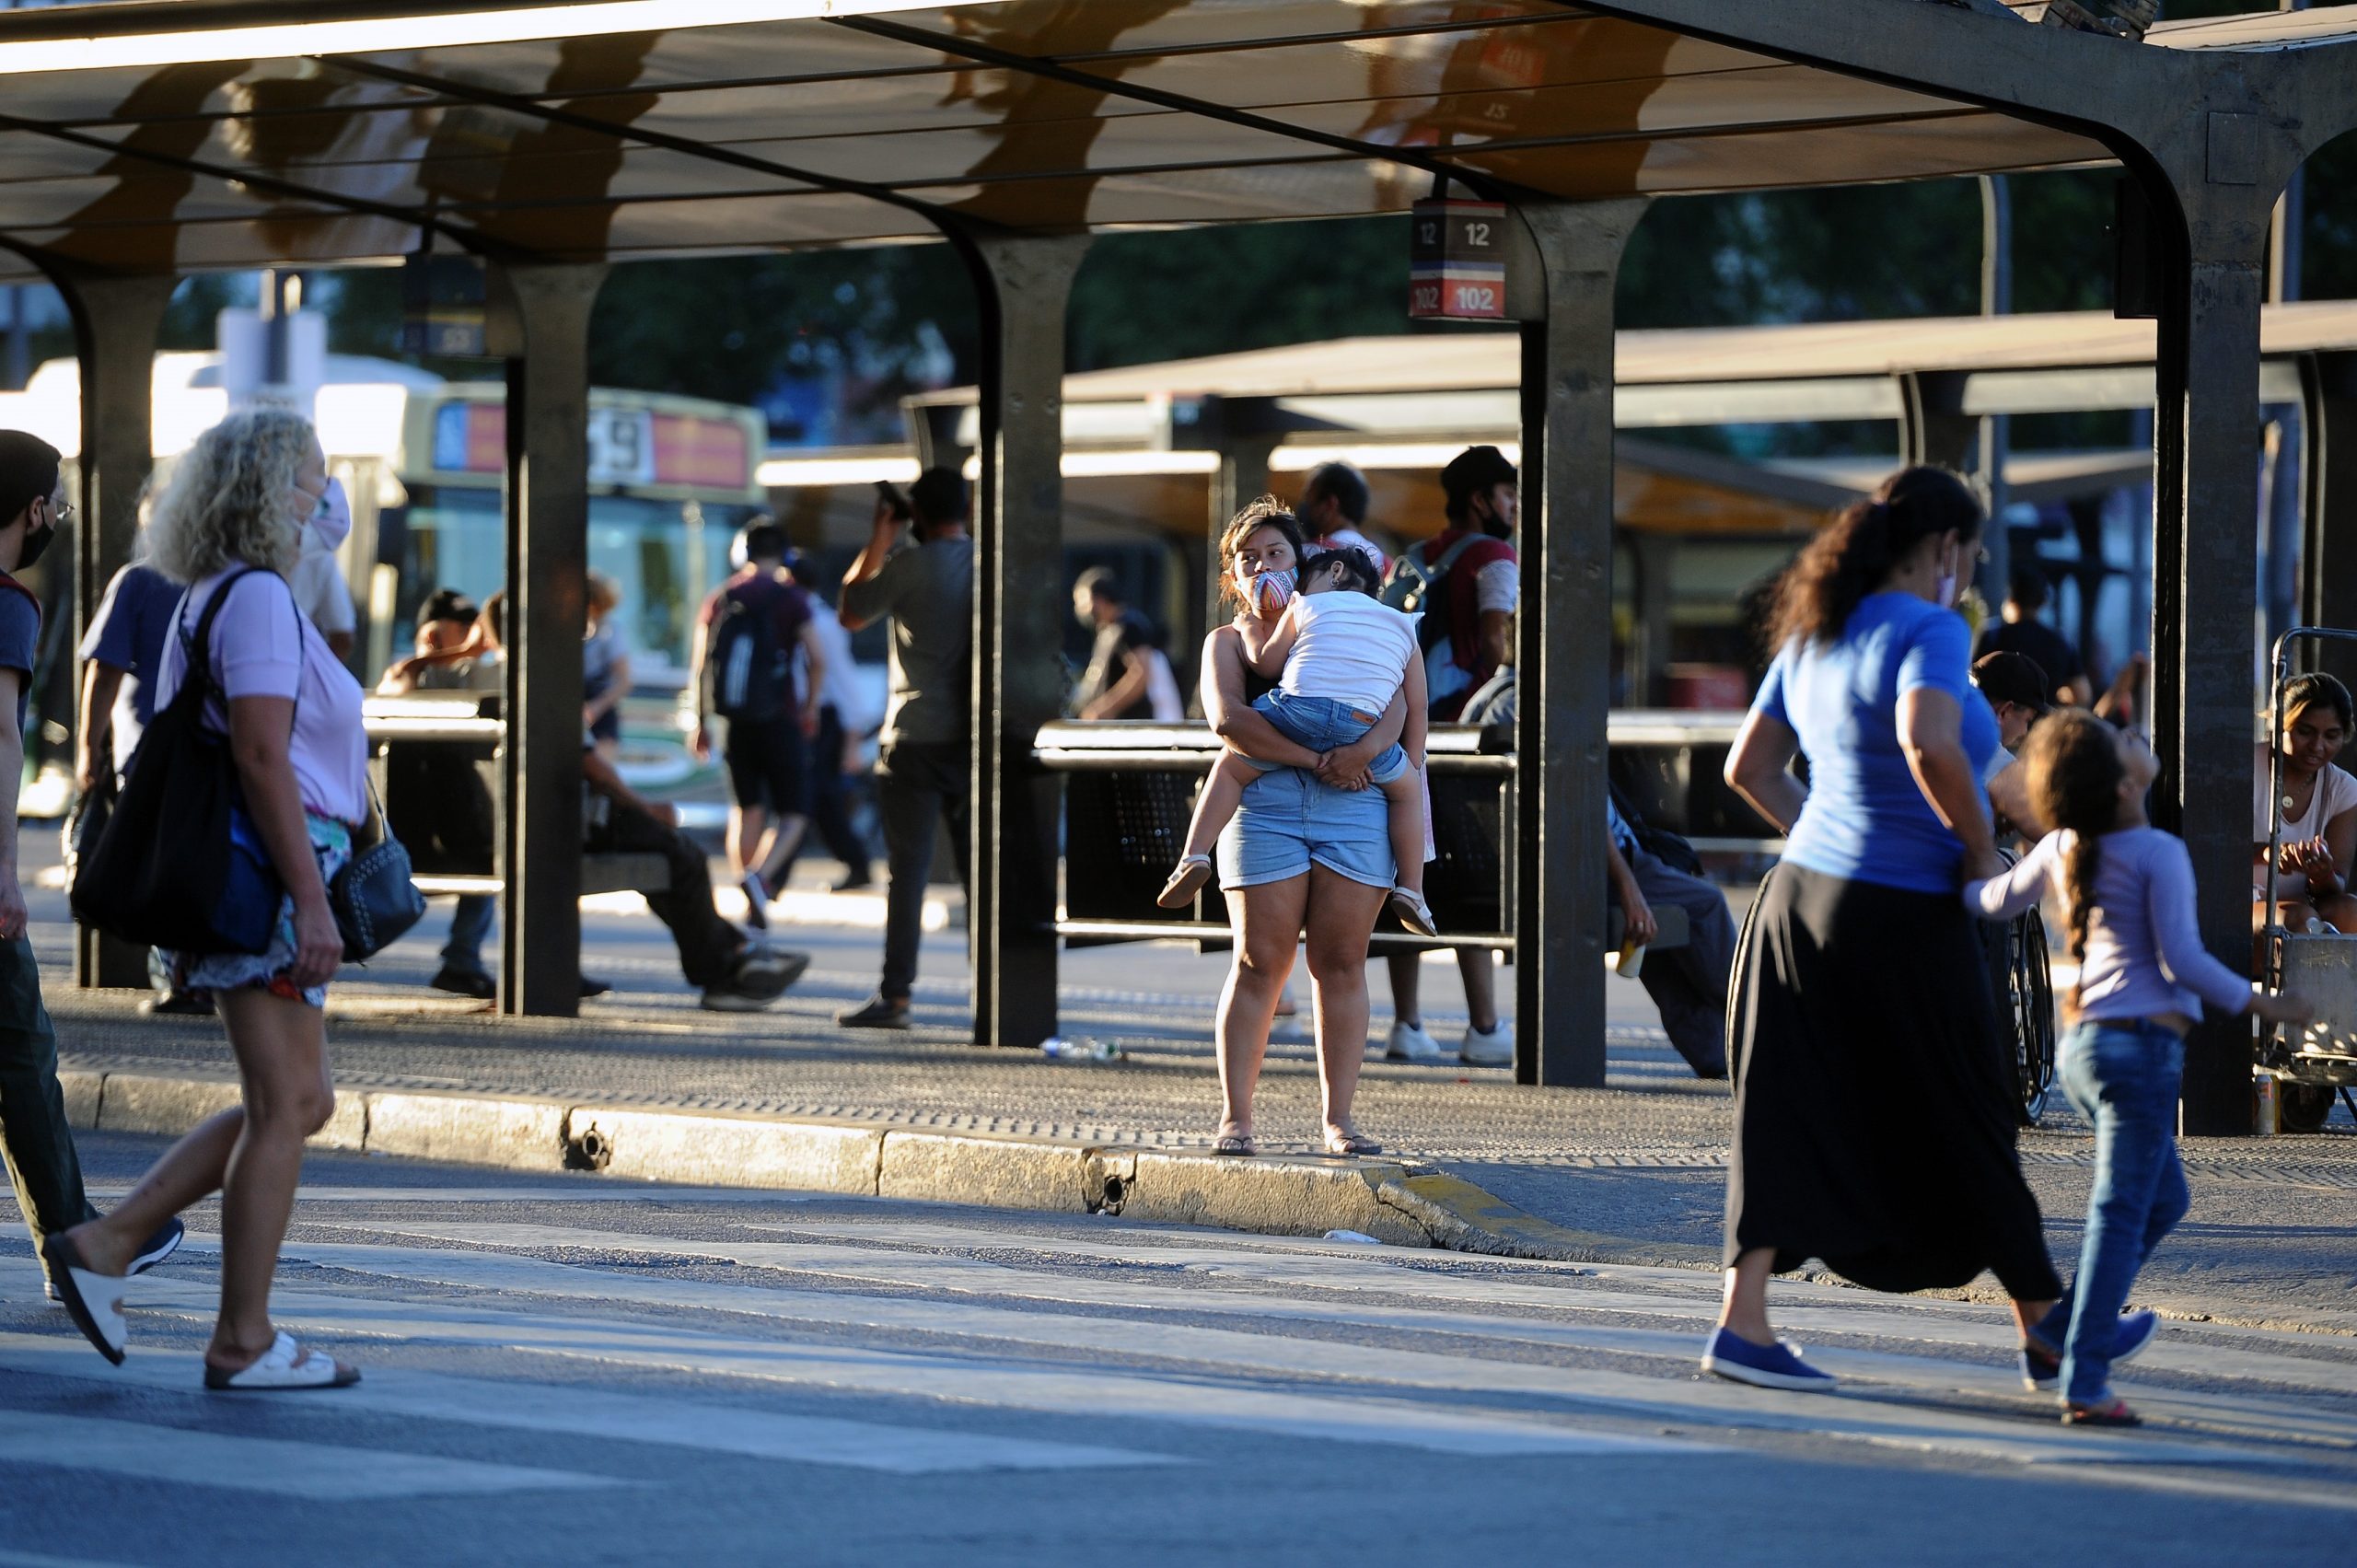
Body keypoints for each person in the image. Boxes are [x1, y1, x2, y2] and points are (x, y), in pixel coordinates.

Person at [1710, 464, 2063, 1393]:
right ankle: (2049, 1322)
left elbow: (1748, 766)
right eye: (1971, 555)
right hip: (1901, 905)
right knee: (1969, 1105)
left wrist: (1832, 834)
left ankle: (1742, 1324)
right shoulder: (1933, 628)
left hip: (1797, 901)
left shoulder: (1814, 630)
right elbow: (1929, 738)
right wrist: (1975, 843)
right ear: (1947, 548)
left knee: (1781, 1111)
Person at [51, 408, 367, 1389]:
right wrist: (311, 902)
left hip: (250, 874)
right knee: (285, 1107)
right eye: (315, 477)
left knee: (297, 1098)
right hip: (271, 879)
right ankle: (240, 1333)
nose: (327, 495)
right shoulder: (263, 599)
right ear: (273, 490)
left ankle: (113, 1238)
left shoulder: (210, 594)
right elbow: (262, 755)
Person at [1968, 712, 2310, 1425]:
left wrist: (1955, 872)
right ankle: (2085, 1379)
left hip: (2084, 1054)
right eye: (2128, 742)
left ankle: (2062, 1329)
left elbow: (1993, 900)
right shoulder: (2155, 851)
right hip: (2140, 1053)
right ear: (2126, 783)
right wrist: (2263, 1004)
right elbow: (2182, 960)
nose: (2139, 740)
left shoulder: (2061, 843)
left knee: (2161, 1201)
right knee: (2120, 1214)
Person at [2, 433, 185, 1307]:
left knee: (19, 1050)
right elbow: (0, 739)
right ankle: (77, 1242)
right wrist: (5, 872)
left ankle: (73, 1237)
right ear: (33, 511)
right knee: (22, 1051)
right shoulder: (8, 602)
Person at [1198, 500, 1399, 1156]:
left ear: (1303, 560)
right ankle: (1237, 1118)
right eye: (1247, 560)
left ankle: (1339, 1120)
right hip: (1267, 809)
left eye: (1275, 554)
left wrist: (1363, 755)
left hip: (1353, 800)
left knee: (1341, 961)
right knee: (1260, 961)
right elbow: (1231, 721)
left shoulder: (1345, 625)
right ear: (1233, 579)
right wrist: (1320, 758)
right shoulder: (1227, 643)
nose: (1263, 568)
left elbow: (1395, 702)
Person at [1466, 665, 1733, 1080]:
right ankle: (1754, 1024)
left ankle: (1715, 1050)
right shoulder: (1534, 704)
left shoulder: (1484, 700)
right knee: (1704, 906)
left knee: (1663, 923)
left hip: (1521, 870)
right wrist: (1629, 888)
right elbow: (1581, 808)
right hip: (1589, 869)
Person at [1158, 546, 1434, 935]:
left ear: (1334, 572)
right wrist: (1414, 758)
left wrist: (1250, 628)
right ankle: (1412, 890)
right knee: (1407, 792)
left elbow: (1267, 663)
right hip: (1362, 725)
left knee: (1232, 767)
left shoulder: (1305, 605)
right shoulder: (1401, 624)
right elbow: (1416, 704)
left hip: (1298, 713)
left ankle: (1193, 856)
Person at [1380, 445, 1519, 1065]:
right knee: (1470, 875)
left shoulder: (1413, 558)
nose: (1514, 506)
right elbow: (1497, 638)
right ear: (1480, 499)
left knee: (1409, 875)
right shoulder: (1494, 555)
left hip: (1403, 733)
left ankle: (1407, 1024)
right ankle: (1484, 1027)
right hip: (1463, 735)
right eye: (1508, 495)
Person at [835, 469, 974, 1030]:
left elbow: (850, 610)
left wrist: (881, 537)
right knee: (980, 873)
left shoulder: (907, 566)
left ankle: (895, 999)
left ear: (915, 513)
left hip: (912, 737)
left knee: (907, 875)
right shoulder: (986, 565)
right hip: (974, 742)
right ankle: (991, 994)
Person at [77, 533, 211, 1016]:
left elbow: (106, 671)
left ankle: (180, 977)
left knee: (158, 863)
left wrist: (87, 751)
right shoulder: (226, 581)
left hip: (147, 749)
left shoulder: (138, 579)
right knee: (200, 860)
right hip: (211, 747)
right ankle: (200, 975)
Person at [582, 742, 809, 1010]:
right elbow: (591, 764)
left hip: (565, 817)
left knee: (674, 857)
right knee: (684, 857)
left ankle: (736, 951)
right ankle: (725, 968)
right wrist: (645, 807)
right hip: (580, 818)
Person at [692, 517, 827, 931]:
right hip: (780, 717)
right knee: (793, 814)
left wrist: (700, 721)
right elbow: (817, 658)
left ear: (741, 553)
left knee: (745, 810)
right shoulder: (791, 599)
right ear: (784, 554)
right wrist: (809, 708)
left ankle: (748, 894)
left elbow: (701, 666)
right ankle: (760, 878)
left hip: (733, 720)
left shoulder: (721, 597)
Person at [781, 550, 875, 891]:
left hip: (823, 721)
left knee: (811, 797)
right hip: (809, 717)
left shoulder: (819, 622)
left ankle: (775, 876)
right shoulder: (797, 616)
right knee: (816, 800)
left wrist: (851, 740)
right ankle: (856, 865)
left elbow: (840, 679)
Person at [2254, 670, 2357, 935]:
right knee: (2298, 920)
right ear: (2280, 725)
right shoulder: (2244, 768)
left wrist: (2321, 872)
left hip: (2306, 905)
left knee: (2350, 912)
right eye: (2305, 732)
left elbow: (2337, 885)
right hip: (2238, 902)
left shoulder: (2344, 789)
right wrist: (2270, 854)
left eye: (2331, 736)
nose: (2317, 746)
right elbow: (2208, 851)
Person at [1071, 567, 1183, 722]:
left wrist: (1105, 707)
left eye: (1084, 601)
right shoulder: (1108, 630)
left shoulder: (1129, 627)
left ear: (1100, 600)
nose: (1082, 610)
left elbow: (1140, 673)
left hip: (1131, 725)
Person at [1976, 561, 2091, 708]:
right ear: (2043, 601)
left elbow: (1972, 682)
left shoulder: (1993, 635)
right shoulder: (2059, 642)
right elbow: (2082, 695)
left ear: (2010, 598)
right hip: (2044, 726)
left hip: (1999, 723)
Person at [287, 478, 356, 661]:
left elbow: (343, 636)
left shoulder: (318, 552)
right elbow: (343, 635)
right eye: (318, 474)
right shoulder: (318, 551)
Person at [1970, 649, 2051, 782]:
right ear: (2004, 711)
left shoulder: (1939, 725)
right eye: (2027, 720)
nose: (2024, 732)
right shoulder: (2002, 768)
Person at [1295, 460, 1387, 578]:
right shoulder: (1386, 565)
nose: (1305, 508)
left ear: (1330, 504)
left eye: (1309, 500)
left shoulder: (1308, 554)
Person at [583, 571, 631, 763]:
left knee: (600, 774)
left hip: (599, 716)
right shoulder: (573, 630)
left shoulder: (610, 632)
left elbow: (624, 681)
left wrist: (595, 708)